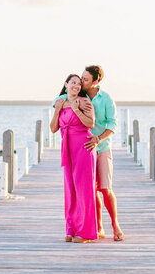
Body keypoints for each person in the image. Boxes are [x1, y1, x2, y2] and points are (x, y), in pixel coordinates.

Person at [55, 65, 124, 241]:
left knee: (105, 188)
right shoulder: (79, 95)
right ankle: (97, 227)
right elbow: (59, 99)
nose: (82, 82)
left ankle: (115, 225)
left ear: (96, 81)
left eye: (85, 79)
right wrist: (64, 103)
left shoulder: (106, 99)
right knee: (89, 190)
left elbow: (112, 124)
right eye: (81, 78)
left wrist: (98, 139)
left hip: (102, 147)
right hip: (84, 148)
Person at [50, 74, 97, 242]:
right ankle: (71, 229)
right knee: (70, 190)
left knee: (84, 190)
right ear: (66, 85)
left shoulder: (84, 102)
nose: (76, 86)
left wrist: (76, 110)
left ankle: (85, 233)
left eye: (78, 84)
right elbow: (53, 128)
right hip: (67, 149)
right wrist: (57, 110)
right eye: (73, 83)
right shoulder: (60, 103)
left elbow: (90, 124)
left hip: (83, 148)